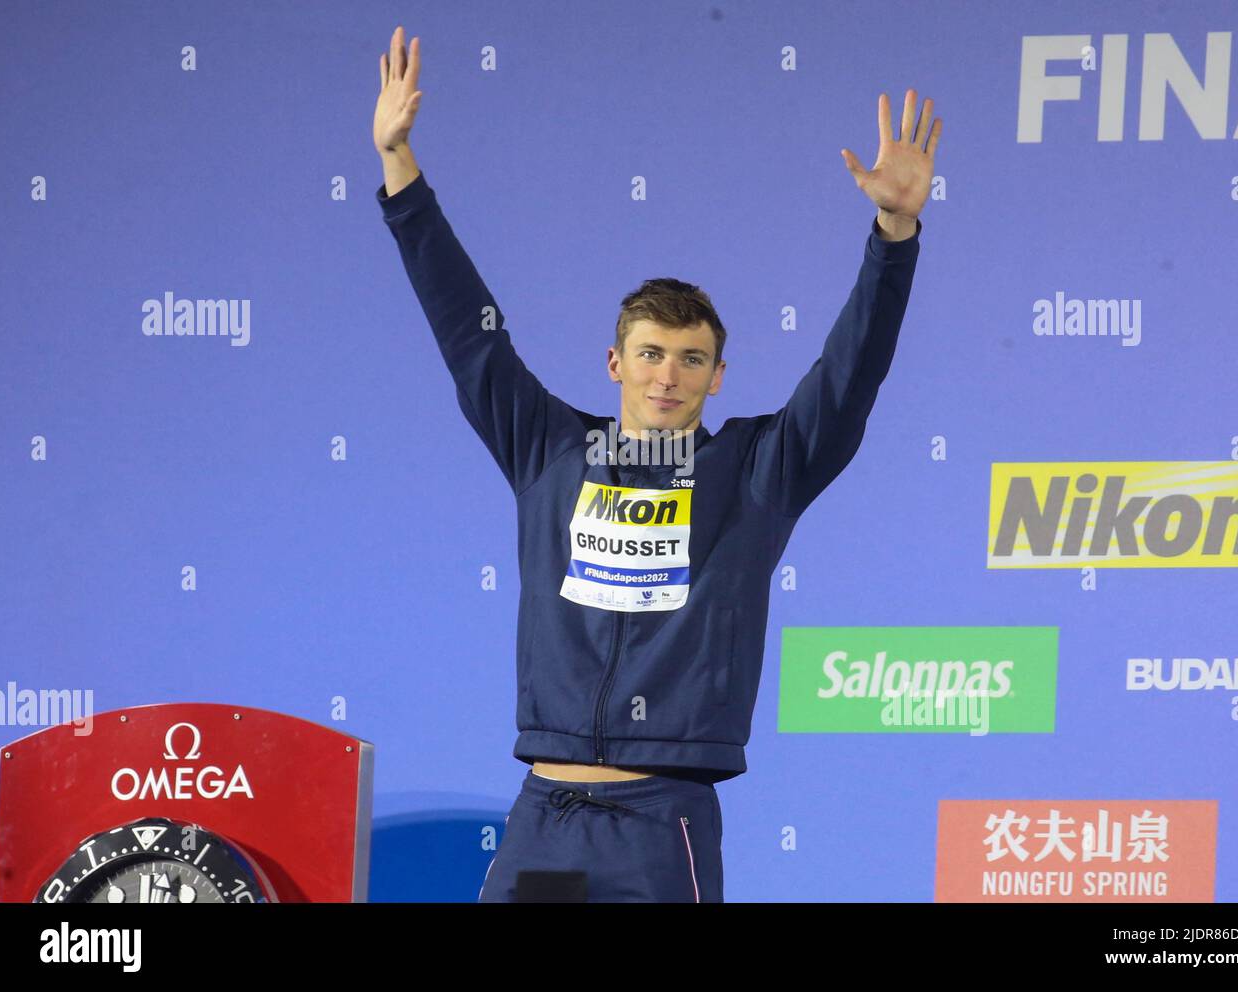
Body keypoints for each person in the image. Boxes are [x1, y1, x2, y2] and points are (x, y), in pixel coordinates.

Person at [372, 25, 941, 902]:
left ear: (719, 373)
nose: (667, 374)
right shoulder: (550, 448)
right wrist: (400, 168)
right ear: (615, 364)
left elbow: (849, 373)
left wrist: (893, 233)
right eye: (649, 353)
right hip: (544, 819)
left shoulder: (760, 471)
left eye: (689, 358)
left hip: (661, 821)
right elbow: (467, 335)